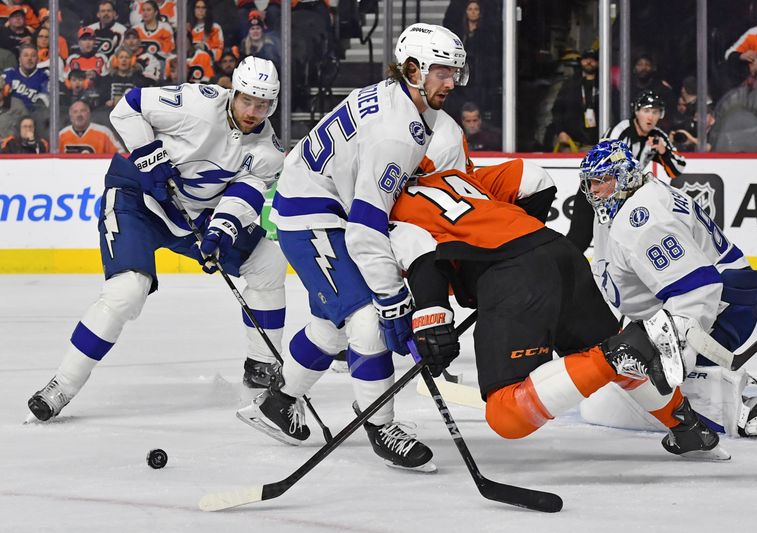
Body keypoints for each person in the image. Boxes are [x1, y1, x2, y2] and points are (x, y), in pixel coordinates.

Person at [236, 23, 467, 472]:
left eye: (455, 72)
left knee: (332, 324)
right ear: (414, 69)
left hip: (321, 204)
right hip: (313, 216)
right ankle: (382, 429)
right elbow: (366, 227)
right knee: (367, 320)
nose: (451, 82)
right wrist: (396, 300)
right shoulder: (400, 132)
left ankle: (276, 405)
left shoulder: (401, 100)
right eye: (442, 71)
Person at [387, 158, 727, 460]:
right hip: (557, 250)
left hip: (514, 276)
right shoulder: (457, 176)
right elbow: (534, 180)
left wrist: (432, 318)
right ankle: (686, 425)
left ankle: (619, 351)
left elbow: (422, 257)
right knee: (618, 362)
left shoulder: (392, 209)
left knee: (505, 413)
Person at [28, 56, 287, 422]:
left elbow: (245, 194)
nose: (252, 111)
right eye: (247, 100)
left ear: (272, 104)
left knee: (268, 262)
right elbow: (128, 107)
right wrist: (149, 156)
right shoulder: (198, 103)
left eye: (262, 105)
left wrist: (221, 231)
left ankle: (261, 366)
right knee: (127, 291)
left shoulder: (269, 151)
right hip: (139, 199)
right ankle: (61, 386)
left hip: (192, 217)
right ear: (234, 91)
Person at [578, 139, 757, 437]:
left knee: (626, 393)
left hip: (722, 306)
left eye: (601, 180)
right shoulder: (632, 199)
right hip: (714, 295)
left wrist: (676, 353)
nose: (593, 191)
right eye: (590, 182)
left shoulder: (642, 218)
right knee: (613, 385)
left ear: (625, 176)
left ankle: (739, 409)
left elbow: (698, 287)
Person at [566, 90, 686, 252]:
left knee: (621, 241)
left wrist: (663, 152)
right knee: (580, 239)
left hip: (624, 196)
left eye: (655, 112)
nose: (651, 117)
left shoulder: (658, 137)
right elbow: (599, 166)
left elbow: (677, 170)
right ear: (637, 112)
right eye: (646, 111)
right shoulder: (620, 132)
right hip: (598, 189)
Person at [551, 48, 600, 151]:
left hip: (597, 145)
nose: (589, 62)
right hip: (571, 143)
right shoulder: (570, 85)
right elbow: (557, 110)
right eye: (586, 59)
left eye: (593, 59)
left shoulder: (605, 85)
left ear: (598, 62)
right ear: (581, 61)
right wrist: (560, 131)